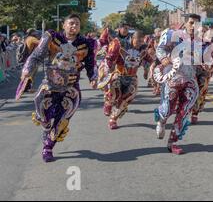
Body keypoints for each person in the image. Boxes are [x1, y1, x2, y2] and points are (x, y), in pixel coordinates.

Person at [17, 14, 97, 162]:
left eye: (77, 24)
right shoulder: (52, 37)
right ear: (64, 25)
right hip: (50, 84)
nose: (74, 26)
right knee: (43, 113)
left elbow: (91, 63)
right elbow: (36, 56)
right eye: (71, 23)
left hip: (71, 87)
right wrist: (27, 69)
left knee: (62, 120)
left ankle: (48, 148)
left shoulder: (86, 44)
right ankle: (46, 128)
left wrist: (93, 77)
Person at [153, 14, 201, 155]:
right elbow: (160, 49)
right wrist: (163, 59)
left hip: (190, 80)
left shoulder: (200, 40)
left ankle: (172, 142)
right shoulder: (172, 34)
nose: (194, 27)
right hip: (173, 78)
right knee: (168, 109)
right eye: (191, 23)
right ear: (185, 23)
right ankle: (161, 120)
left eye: (197, 24)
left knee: (184, 111)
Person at [99, 30, 150, 129]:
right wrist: (109, 68)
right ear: (133, 38)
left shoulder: (143, 50)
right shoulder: (121, 45)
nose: (139, 44)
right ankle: (108, 102)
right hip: (119, 75)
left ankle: (113, 119)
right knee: (114, 95)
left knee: (126, 99)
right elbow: (110, 57)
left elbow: (149, 60)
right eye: (138, 41)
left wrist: (148, 70)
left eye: (141, 42)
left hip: (132, 78)